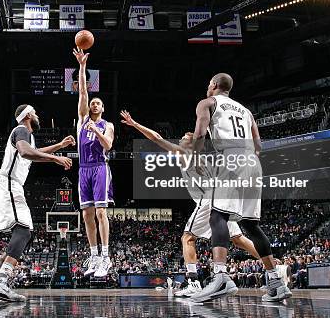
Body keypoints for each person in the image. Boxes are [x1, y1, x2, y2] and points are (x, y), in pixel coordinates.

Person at [119, 110, 261, 297]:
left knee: (187, 237)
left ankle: (193, 282)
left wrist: (135, 124)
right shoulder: (203, 157)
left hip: (209, 200)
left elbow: (156, 138)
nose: (181, 139)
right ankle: (273, 266)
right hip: (223, 198)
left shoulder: (185, 152)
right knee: (238, 239)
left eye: (185, 137)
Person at [187, 73, 291, 303]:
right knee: (249, 224)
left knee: (218, 216)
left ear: (213, 85)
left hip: (231, 158)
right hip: (252, 163)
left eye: (208, 83)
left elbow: (200, 133)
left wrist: (195, 159)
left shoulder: (208, 103)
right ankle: (275, 281)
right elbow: (258, 145)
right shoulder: (246, 111)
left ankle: (221, 276)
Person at [0, 104, 74, 302]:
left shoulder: (25, 135)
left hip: (10, 186)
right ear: (27, 116)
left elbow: (33, 152)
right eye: (35, 113)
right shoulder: (21, 130)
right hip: (9, 184)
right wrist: (55, 158)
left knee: (24, 233)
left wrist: (58, 147)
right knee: (24, 231)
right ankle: (0, 283)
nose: (38, 116)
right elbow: (26, 152)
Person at [74, 48, 115, 278]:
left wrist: (96, 132)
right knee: (86, 215)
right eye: (93, 102)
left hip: (100, 167)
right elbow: (82, 93)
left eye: (98, 103)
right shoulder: (82, 120)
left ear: (102, 108)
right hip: (84, 170)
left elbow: (108, 145)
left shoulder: (106, 125)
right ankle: (94, 255)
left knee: (101, 213)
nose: (94, 104)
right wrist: (81, 67)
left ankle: (106, 257)